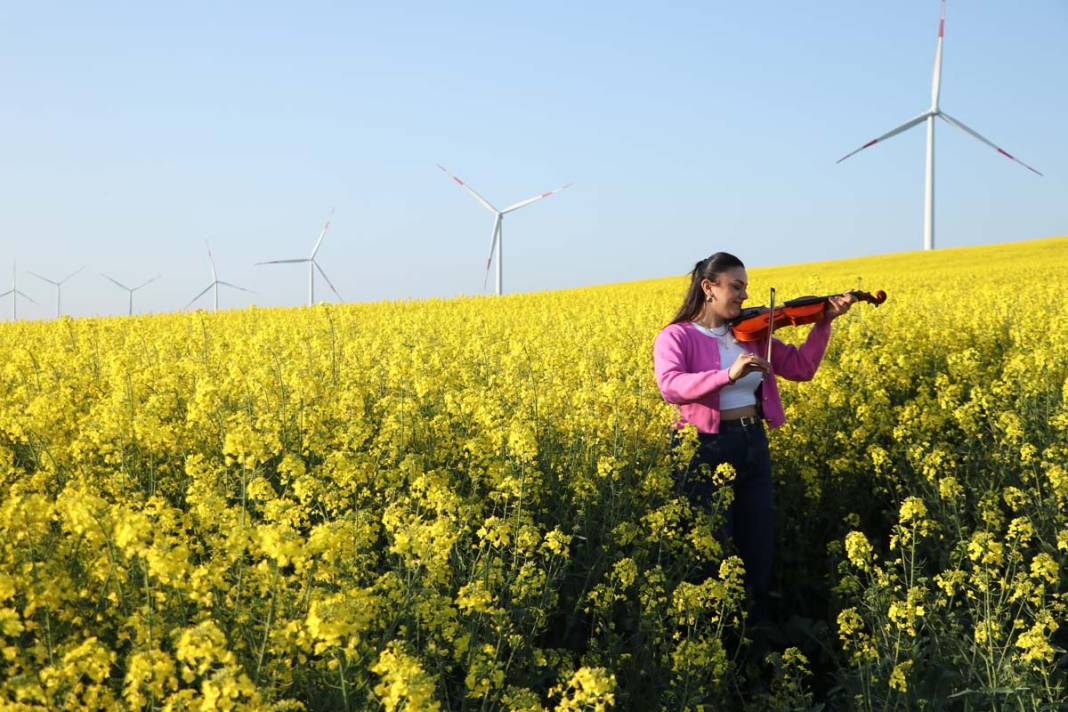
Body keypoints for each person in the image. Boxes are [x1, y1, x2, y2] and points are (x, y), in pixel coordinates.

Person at [652, 252, 855, 622]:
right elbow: (671, 387)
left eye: (745, 287)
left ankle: (756, 624)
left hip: (752, 441)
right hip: (703, 446)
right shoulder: (676, 336)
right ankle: (712, 627)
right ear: (708, 288)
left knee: (757, 538)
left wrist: (823, 322)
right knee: (711, 541)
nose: (745, 295)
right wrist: (728, 374)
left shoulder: (751, 334)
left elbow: (802, 368)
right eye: (736, 286)